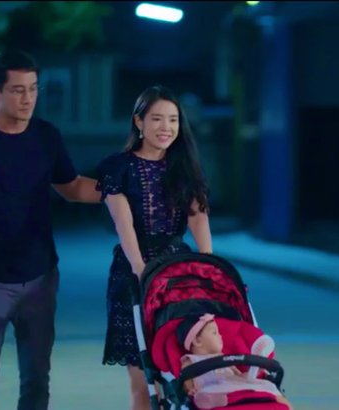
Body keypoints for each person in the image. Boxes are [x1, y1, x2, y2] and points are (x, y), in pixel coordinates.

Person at [0, 49, 101, 410]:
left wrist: (129, 190)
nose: (28, 99)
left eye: (34, 89)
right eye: (18, 90)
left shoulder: (46, 136)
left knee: (36, 380)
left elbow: (73, 187)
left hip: (40, 278)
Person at [96, 85, 213, 410]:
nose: (166, 127)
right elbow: (123, 223)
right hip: (133, 274)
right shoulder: (116, 167)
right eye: (157, 119)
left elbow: (198, 216)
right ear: (139, 122)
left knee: (186, 367)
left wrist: (208, 265)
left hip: (178, 271)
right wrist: (140, 268)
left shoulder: (185, 166)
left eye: (173, 120)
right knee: (142, 378)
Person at [177, 314, 293, 409]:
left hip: (233, 385)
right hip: (212, 388)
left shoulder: (225, 359)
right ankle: (212, 400)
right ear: (197, 341)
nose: (220, 336)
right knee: (203, 395)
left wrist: (255, 372)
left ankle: (283, 403)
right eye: (214, 333)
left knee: (269, 385)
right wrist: (190, 390)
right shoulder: (191, 360)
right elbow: (185, 377)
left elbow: (239, 377)